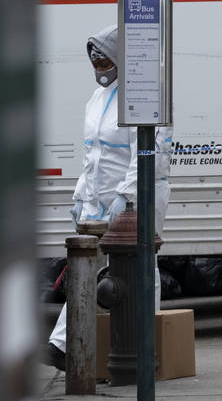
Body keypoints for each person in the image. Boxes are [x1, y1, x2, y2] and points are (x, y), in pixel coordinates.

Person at [44, 24, 172, 371]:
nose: (100, 70)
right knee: (89, 269)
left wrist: (126, 198)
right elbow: (93, 156)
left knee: (141, 268)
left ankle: (142, 344)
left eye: (105, 63)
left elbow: (148, 156)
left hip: (137, 200)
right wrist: (81, 198)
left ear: (121, 60)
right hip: (100, 202)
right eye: (95, 63)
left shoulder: (143, 96)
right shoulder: (97, 99)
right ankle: (66, 345)